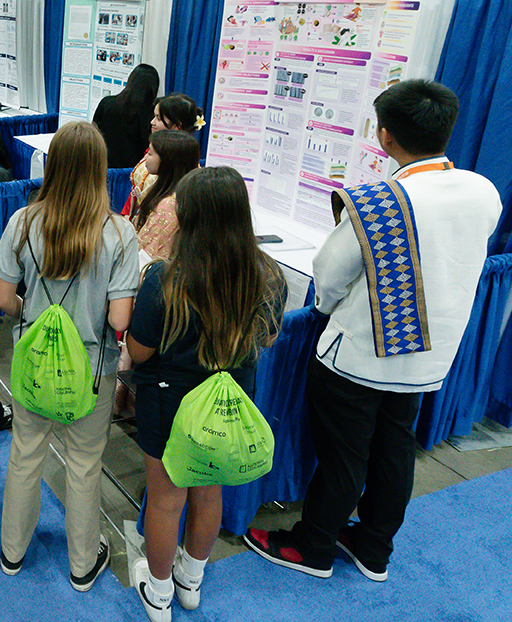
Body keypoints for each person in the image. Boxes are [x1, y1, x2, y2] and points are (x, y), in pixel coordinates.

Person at [244, 80, 503, 582]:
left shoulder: (378, 202)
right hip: (430, 356)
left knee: (343, 458)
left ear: (385, 136)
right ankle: (373, 546)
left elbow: (329, 274)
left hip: (360, 355)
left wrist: (327, 308)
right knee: (394, 450)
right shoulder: (483, 191)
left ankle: (313, 546)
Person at [128, 166, 286, 621]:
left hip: (169, 403)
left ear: (190, 216)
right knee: (208, 491)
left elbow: (138, 351)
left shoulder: (165, 278)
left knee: (165, 500)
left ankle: (159, 593)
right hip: (229, 406)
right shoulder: (268, 276)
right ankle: (190, 581)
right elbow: (269, 338)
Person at [0, 121, 139, 590]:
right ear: (100, 169)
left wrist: (34, 315)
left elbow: (3, 299)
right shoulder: (119, 232)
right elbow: (119, 319)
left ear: (53, 164)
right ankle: (82, 564)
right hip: (91, 371)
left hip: (33, 363)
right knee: (83, 465)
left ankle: (12, 552)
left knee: (24, 456)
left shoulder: (23, 221)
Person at [125, 94, 204, 217]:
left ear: (177, 126)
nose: (152, 122)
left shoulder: (186, 169)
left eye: (158, 119)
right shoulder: (153, 151)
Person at [131, 130, 200, 261]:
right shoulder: (179, 192)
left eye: (150, 154)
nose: (145, 158)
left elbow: (146, 256)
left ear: (167, 160)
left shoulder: (169, 206)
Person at [92, 63, 159, 169]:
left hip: (103, 168)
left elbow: (94, 135)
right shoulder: (151, 114)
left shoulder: (106, 103)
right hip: (134, 171)